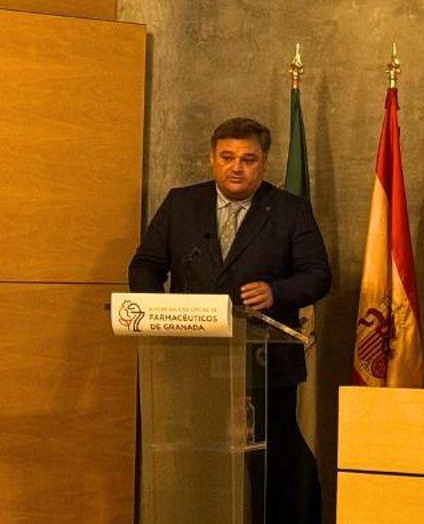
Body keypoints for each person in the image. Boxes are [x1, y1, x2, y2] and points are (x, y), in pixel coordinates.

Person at [128, 117, 331, 524]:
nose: (236, 167)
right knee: (198, 459)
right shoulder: (181, 203)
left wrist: (277, 292)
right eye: (227, 157)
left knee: (273, 461)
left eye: (248, 159)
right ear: (211, 159)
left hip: (263, 365)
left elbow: (318, 275)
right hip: (193, 362)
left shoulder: (290, 210)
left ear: (264, 165)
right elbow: (145, 265)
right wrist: (160, 313)